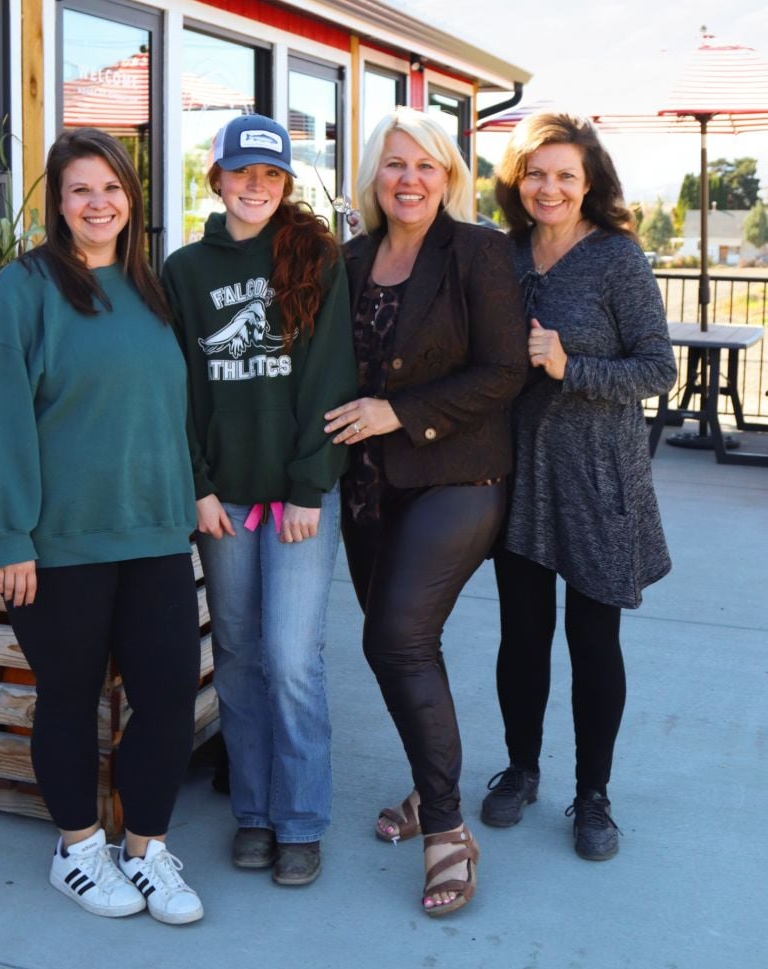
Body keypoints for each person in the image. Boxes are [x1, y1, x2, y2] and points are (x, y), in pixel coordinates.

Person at [0, 128, 204, 924]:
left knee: (167, 694)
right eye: (80, 191)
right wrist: (8, 536)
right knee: (67, 697)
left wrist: (194, 495)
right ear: (59, 206)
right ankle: (78, 848)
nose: (99, 203)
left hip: (156, 535)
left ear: (131, 198)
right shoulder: (22, 291)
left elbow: (169, 413)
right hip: (59, 546)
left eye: (112, 188)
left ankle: (147, 851)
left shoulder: (150, 290)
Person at [323, 106, 527, 917]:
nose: (409, 179)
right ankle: (426, 785)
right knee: (402, 648)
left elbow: (505, 369)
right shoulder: (350, 260)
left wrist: (398, 412)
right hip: (368, 488)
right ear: (374, 175)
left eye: (426, 166)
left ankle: (446, 829)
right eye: (395, 164)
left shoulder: (477, 252)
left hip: (459, 477)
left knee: (394, 635)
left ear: (449, 177)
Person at [161, 114, 357, 887]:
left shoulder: (314, 257)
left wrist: (311, 483)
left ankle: (301, 819)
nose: (255, 187)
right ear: (216, 179)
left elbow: (330, 376)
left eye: (271, 176)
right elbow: (175, 388)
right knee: (238, 655)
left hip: (300, 498)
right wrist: (198, 484)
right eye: (241, 173)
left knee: (291, 658)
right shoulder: (183, 271)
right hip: (225, 502)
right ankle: (254, 809)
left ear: (284, 184)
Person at [482, 112, 676, 860]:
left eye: (565, 174)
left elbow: (660, 369)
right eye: (536, 173)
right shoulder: (502, 255)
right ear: (517, 181)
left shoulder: (617, 260)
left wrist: (572, 368)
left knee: (593, 641)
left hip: (600, 478)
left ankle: (593, 795)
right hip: (522, 474)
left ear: (589, 180)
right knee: (521, 636)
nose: (550, 187)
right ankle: (521, 767)